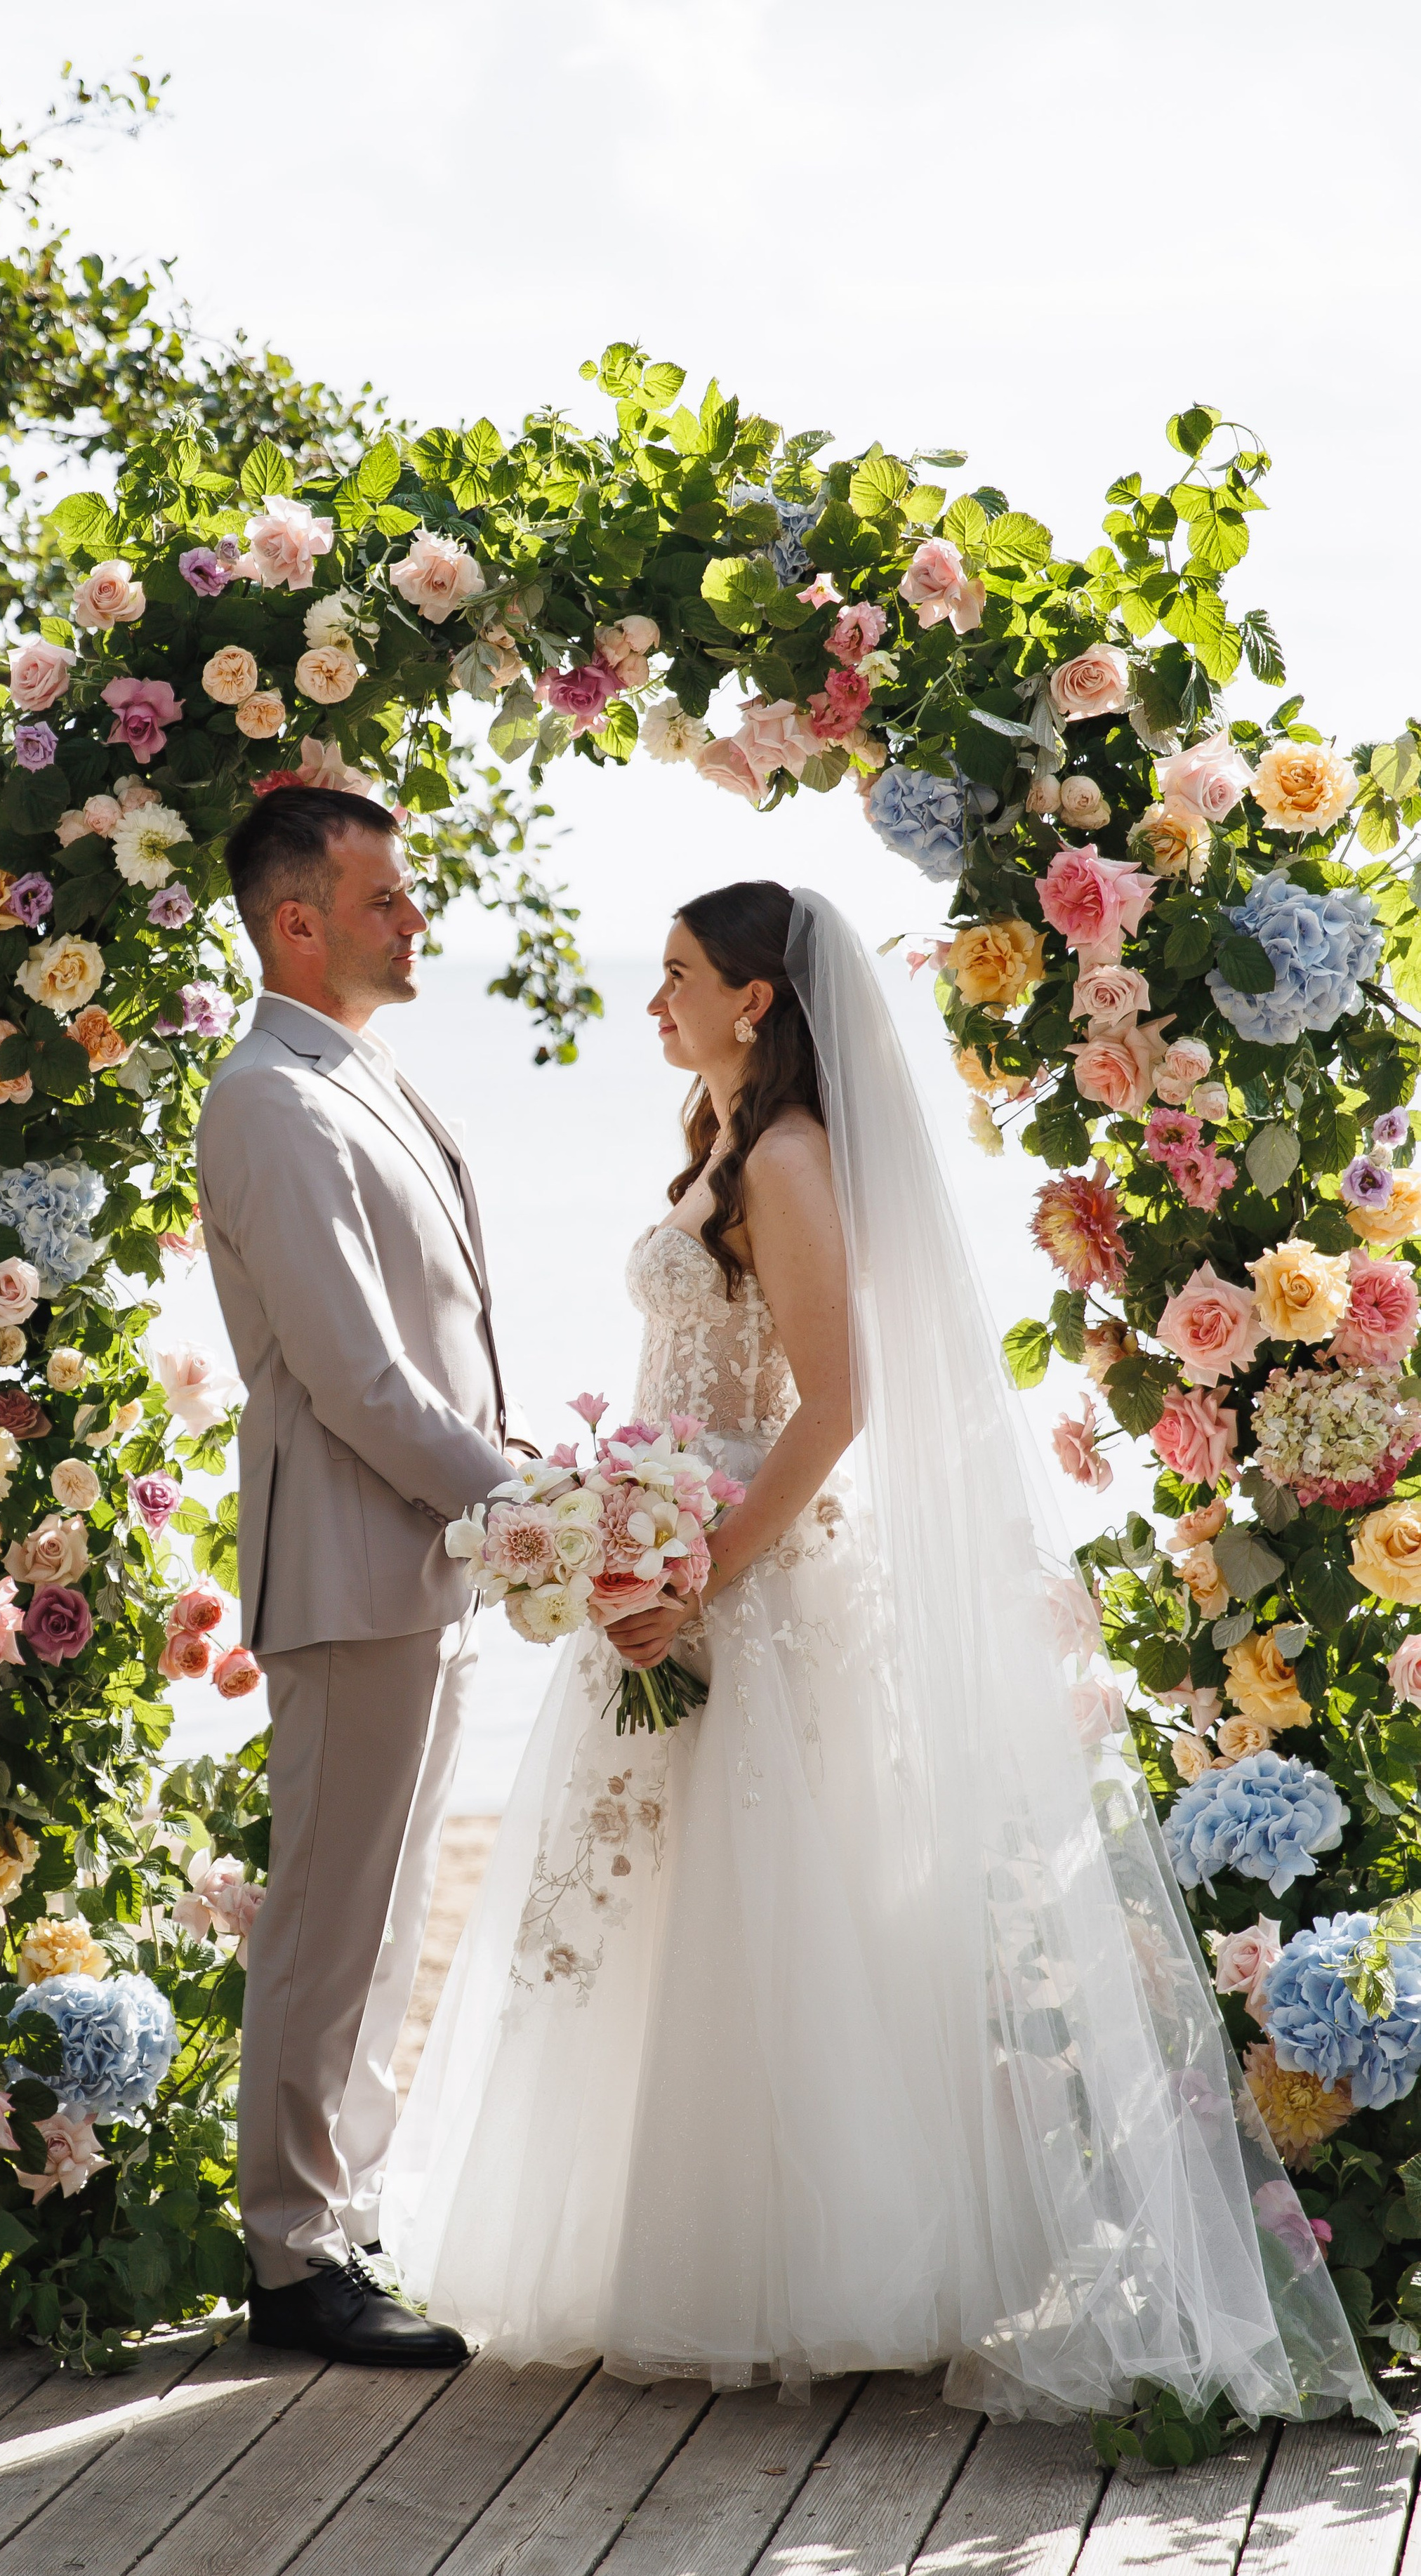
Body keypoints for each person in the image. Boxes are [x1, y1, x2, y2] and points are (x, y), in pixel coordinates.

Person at [385, 880, 1382, 2430]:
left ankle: (809, 2269)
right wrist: (602, 1528)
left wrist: (698, 1567)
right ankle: (665, 2246)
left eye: (676, 976)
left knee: (773, 1917)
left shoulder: (785, 1160)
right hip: (668, 1563)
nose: (652, 1004)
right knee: (657, 1920)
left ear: (757, 1000)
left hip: (746, 1580)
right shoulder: (715, 1148)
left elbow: (833, 1406)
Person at [195, 785, 518, 2367]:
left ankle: (344, 2215)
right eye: (384, 898)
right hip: (350, 1558)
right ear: (295, 920)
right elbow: (355, 1382)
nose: (413, 918)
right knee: (331, 1916)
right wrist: (533, 1507)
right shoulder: (268, 1097)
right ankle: (291, 2264)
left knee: (385, 1916)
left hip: (425, 1559)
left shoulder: (355, 1071)